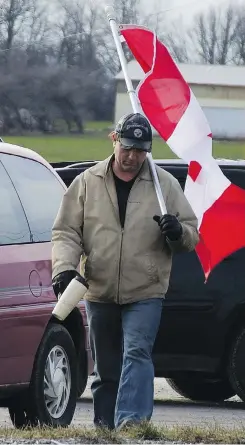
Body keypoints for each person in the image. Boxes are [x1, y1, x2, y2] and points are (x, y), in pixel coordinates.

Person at [51, 112, 199, 431]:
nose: (133, 157)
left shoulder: (164, 186)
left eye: (140, 150)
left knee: (137, 352)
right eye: (127, 148)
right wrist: (63, 268)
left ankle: (132, 424)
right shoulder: (87, 182)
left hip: (146, 289)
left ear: (148, 150)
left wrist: (177, 233)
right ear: (114, 140)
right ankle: (105, 428)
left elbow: (190, 234)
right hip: (99, 289)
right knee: (106, 367)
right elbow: (66, 232)